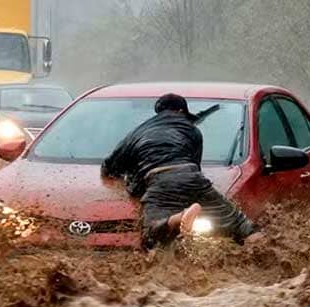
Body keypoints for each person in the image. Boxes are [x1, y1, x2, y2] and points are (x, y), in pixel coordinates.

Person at [101, 93, 260, 250]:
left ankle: (179, 218)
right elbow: (195, 166)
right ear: (181, 111)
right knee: (240, 224)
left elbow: (109, 168)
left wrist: (131, 179)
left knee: (150, 236)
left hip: (160, 181)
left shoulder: (137, 133)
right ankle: (267, 250)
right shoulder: (192, 131)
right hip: (192, 177)